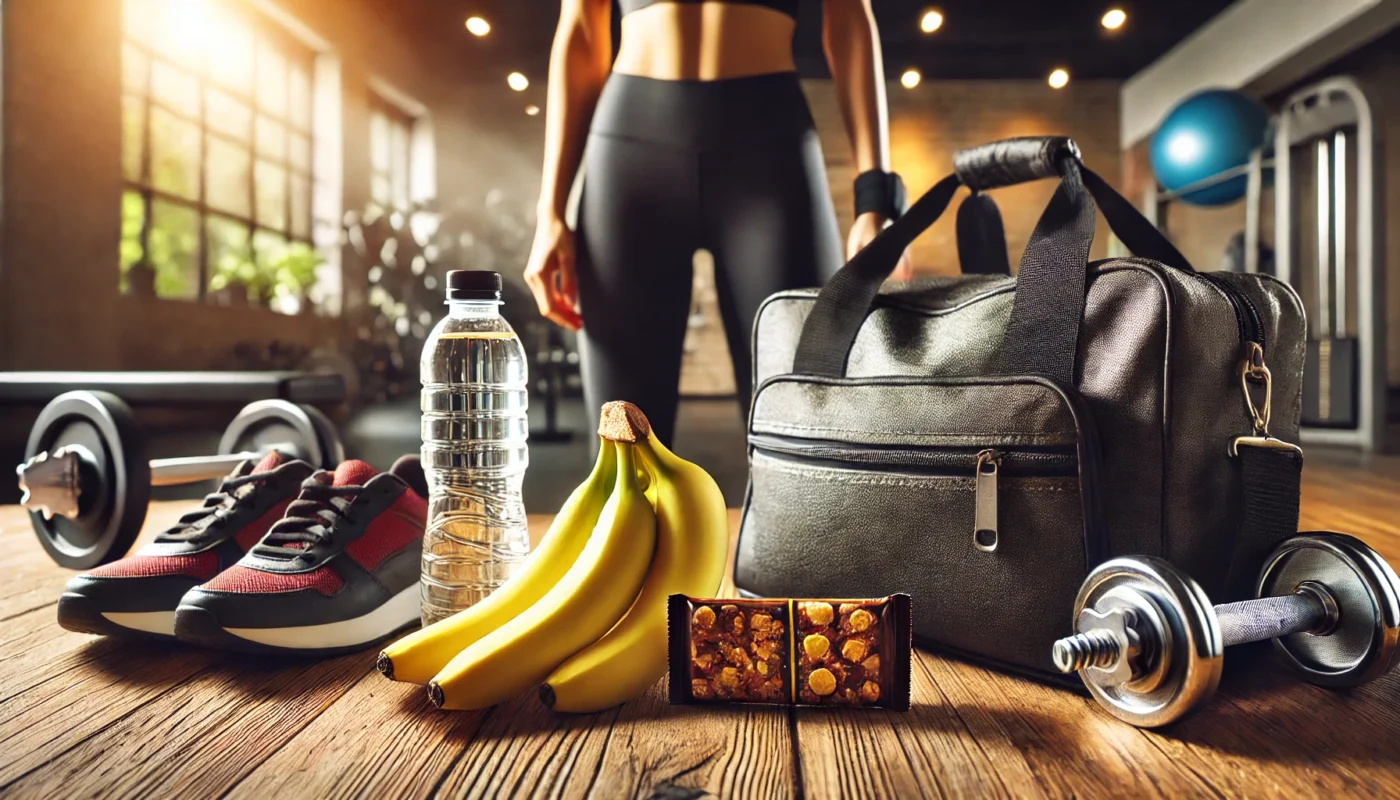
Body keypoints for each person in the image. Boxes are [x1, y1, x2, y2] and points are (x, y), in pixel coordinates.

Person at [524, 0, 909, 446]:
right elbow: (581, 30)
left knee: (800, 423)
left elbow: (848, 19)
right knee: (623, 448)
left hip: (769, 149)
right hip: (631, 147)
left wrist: (875, 202)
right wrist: (550, 211)